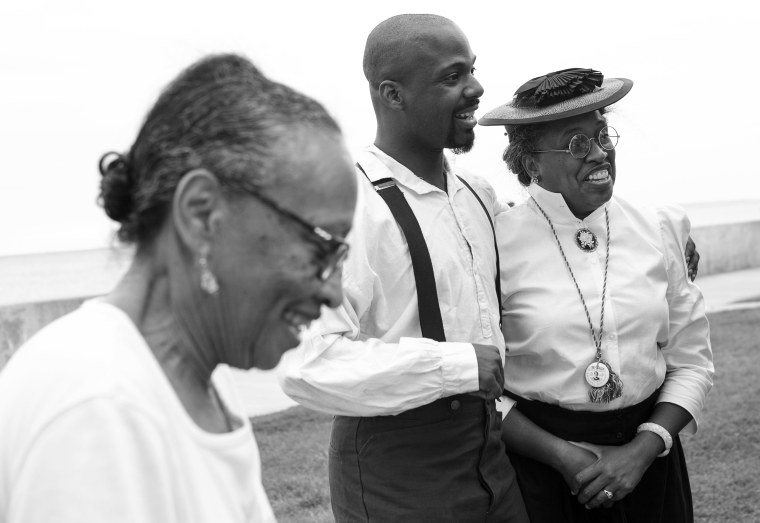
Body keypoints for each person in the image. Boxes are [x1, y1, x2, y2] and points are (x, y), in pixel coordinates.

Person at [0, 53, 356, 522]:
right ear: (202, 214)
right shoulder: (97, 409)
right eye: (320, 249)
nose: (334, 293)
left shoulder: (198, 385)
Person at [478, 68, 714, 522]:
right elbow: (482, 388)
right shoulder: (493, 244)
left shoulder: (659, 229)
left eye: (602, 135)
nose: (599, 153)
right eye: (576, 144)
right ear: (531, 165)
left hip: (651, 467)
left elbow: (693, 361)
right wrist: (562, 456)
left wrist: (644, 449)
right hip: (544, 474)